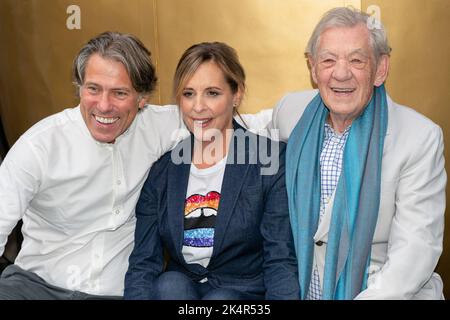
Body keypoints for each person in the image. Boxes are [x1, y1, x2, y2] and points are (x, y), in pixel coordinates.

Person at [0, 32, 269, 299]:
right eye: (93, 89)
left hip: (114, 293)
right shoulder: (40, 146)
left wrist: (304, 112)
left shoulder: (161, 125)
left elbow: (243, 123)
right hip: (34, 287)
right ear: (80, 88)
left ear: (142, 99)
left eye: (119, 93)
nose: (104, 106)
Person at [269, 7, 446, 299]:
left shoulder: (420, 138)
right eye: (328, 60)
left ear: (380, 69)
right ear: (313, 68)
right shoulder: (290, 113)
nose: (341, 73)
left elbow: (415, 252)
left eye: (356, 60)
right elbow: (232, 127)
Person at [124, 42, 299, 300]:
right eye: (188, 94)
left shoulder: (270, 162)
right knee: (169, 284)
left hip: (243, 294)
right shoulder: (163, 171)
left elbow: (280, 257)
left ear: (236, 93)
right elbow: (144, 263)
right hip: (182, 293)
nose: (198, 107)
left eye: (212, 93)